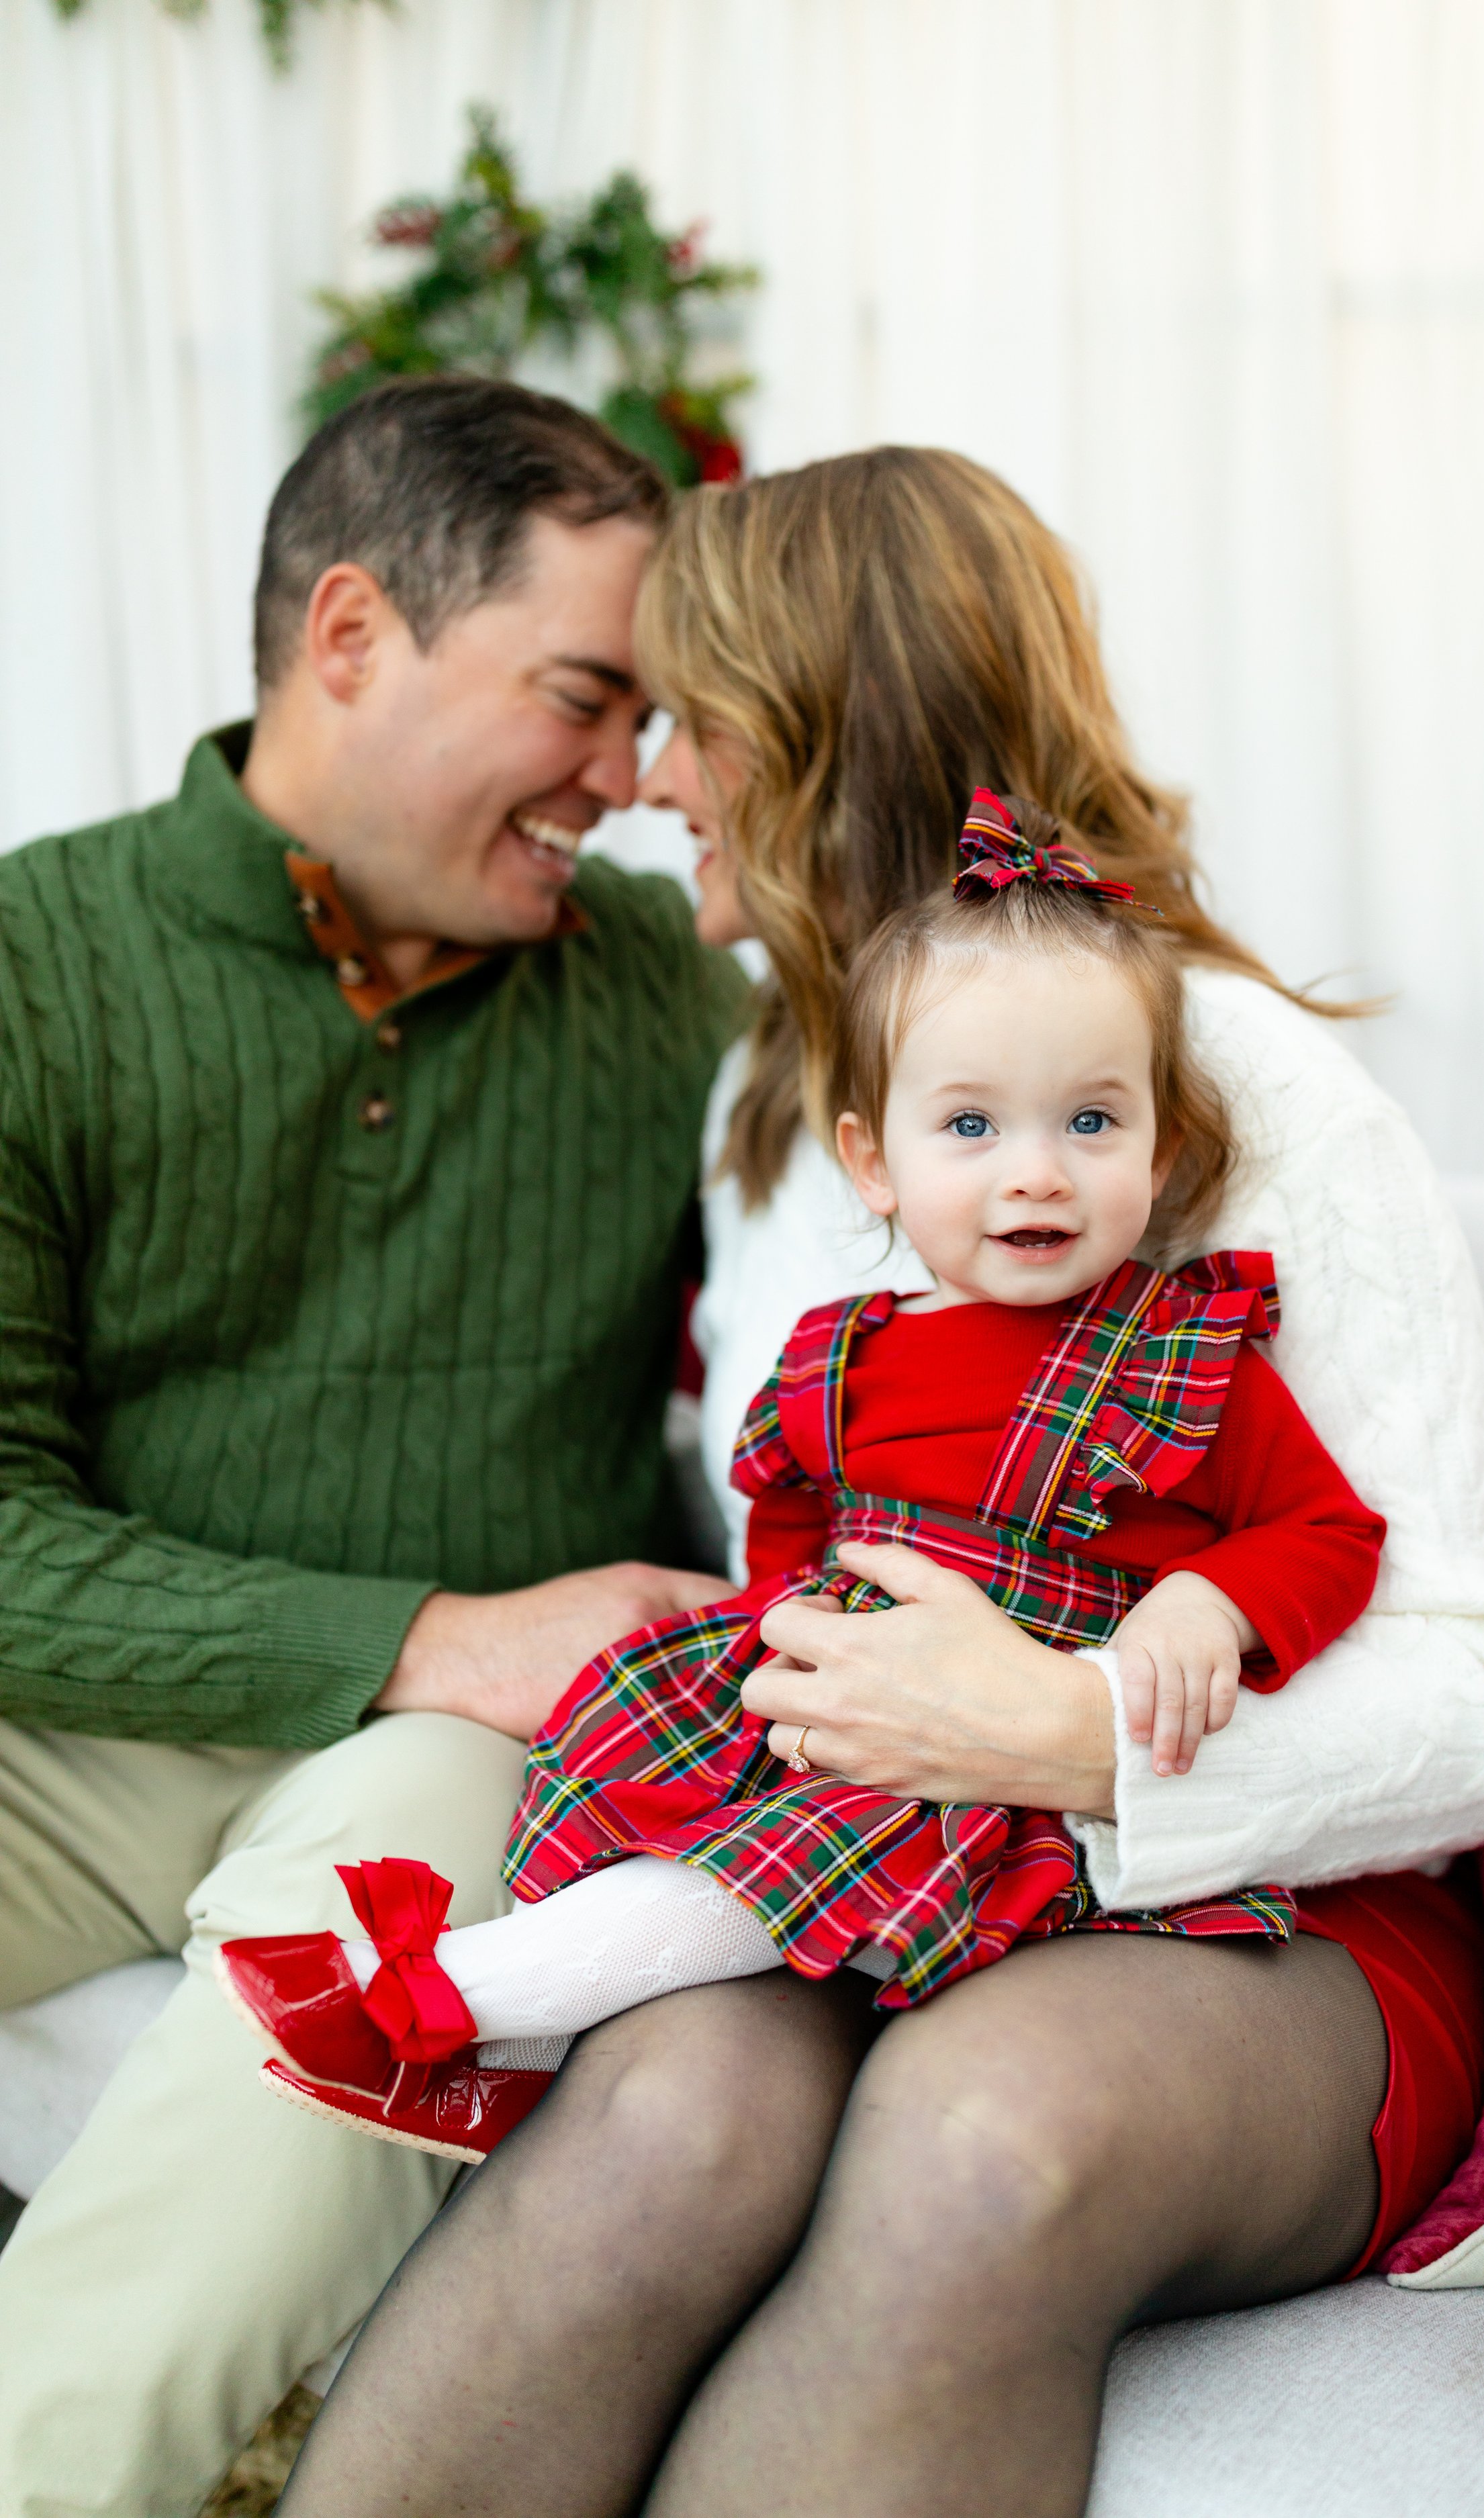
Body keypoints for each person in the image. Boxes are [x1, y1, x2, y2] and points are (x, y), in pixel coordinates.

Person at [273, 447, 1484, 2518]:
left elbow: (1482, 1692)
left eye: (692, 720)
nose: (650, 778)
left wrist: (1072, 1732)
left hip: (1259, 1915)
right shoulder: (779, 1097)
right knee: (665, 2124)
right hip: (867, 1861)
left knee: (979, 2133)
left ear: (822, 743)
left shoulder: (1223, 1084)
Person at [0, 377, 747, 2518]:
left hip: (446, 1760)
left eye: (648, 720)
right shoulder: (36, 961)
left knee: (384, 1929)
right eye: (584, 698)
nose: (627, 778)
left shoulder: (665, 987)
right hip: (77, 1724)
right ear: (351, 634)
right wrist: (428, 1627)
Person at [217, 788, 1386, 2138]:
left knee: (790, 1849)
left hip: (986, 1776)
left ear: (1160, 1150)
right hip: (836, 1703)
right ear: (871, 1163)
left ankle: (457, 1998)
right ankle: (520, 2047)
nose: (1036, 1174)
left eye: (1090, 1123)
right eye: (970, 1127)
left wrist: (1209, 1604)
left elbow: (1331, 1533)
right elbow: (783, 1526)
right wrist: (776, 1656)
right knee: (619, 1736)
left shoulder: (1183, 1357)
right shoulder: (840, 1353)